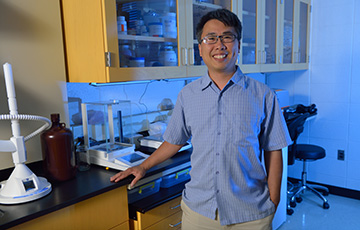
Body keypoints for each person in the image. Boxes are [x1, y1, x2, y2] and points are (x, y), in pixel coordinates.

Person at [111, 8, 292, 230]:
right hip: (199, 212)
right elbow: (174, 140)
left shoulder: (263, 95)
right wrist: (143, 166)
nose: (219, 45)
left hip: (251, 213)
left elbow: (274, 150)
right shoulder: (188, 95)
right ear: (200, 48)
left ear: (237, 44)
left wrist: (273, 202)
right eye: (211, 38)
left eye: (227, 37)